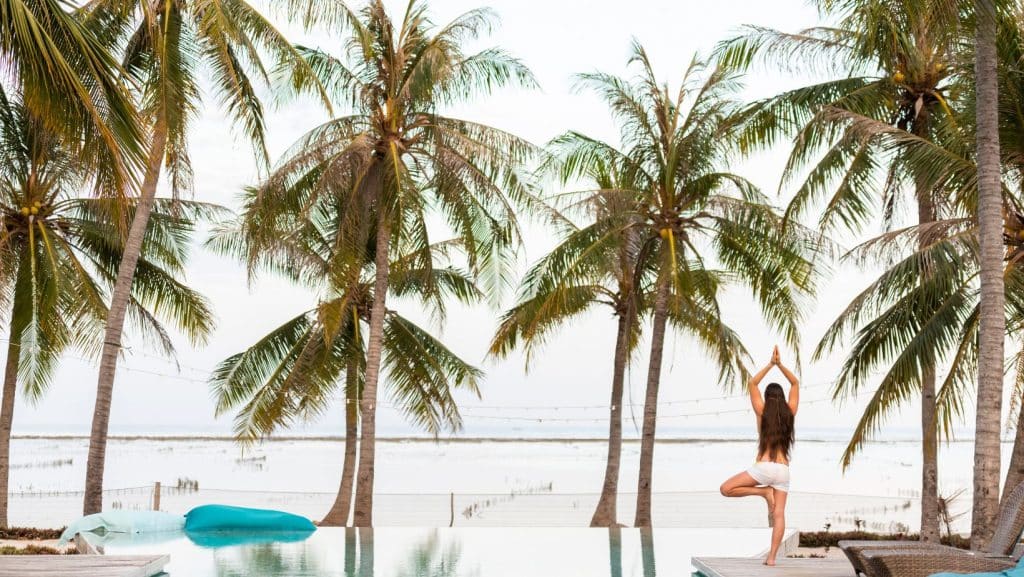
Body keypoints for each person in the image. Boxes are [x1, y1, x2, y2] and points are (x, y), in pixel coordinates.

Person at [719, 345, 799, 566]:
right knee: (780, 515)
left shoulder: (761, 412)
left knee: (726, 489)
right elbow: (795, 383)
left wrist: (770, 364)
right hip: (783, 471)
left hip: (763, 467)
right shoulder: (790, 413)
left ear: (766, 397)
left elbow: (752, 383)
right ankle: (771, 558)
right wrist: (781, 365)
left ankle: (763, 493)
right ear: (782, 398)